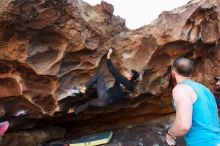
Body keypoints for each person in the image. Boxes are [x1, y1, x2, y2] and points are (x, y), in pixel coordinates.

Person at [165, 57, 220, 146]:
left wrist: (169, 133)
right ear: (190, 72)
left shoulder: (181, 89)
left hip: (202, 142)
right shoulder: (205, 89)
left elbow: (184, 126)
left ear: (173, 71)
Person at [69, 48, 139, 115]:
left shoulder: (124, 80)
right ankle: (74, 111)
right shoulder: (131, 87)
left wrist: (108, 56)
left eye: (128, 72)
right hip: (105, 103)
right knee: (88, 103)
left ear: (130, 76)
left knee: (98, 75)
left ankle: (82, 91)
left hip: (104, 96)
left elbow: (113, 71)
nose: (127, 72)